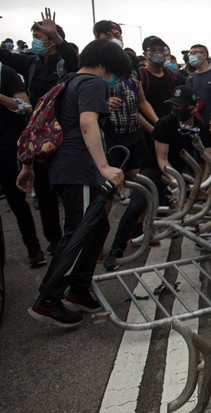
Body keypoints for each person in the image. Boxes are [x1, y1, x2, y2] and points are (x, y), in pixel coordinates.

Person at [16, 39, 127, 327]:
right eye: (114, 73)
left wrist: (27, 166)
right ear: (104, 66)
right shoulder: (92, 83)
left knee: (97, 226)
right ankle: (49, 300)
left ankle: (79, 289)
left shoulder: (69, 82)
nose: (113, 80)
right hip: (79, 168)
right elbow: (87, 123)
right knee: (80, 231)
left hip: (66, 167)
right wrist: (103, 167)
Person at [103, 85, 211, 271]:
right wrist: (175, 183)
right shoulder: (165, 124)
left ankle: (204, 236)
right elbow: (162, 159)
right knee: (137, 206)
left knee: (199, 203)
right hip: (155, 169)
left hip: (182, 170)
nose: (178, 110)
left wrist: (202, 184)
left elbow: (209, 158)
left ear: (194, 107)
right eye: (175, 106)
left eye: (183, 106)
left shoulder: (201, 128)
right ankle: (117, 249)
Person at [0, 8, 78, 258]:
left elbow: (75, 61)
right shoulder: (30, 62)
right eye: (34, 34)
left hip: (65, 130)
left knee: (68, 188)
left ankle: (73, 235)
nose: (35, 38)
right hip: (39, 135)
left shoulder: (65, 59)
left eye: (40, 35)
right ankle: (54, 240)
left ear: (53, 39)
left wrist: (56, 35)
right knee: (43, 191)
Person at [93, 21, 159, 173]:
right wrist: (105, 102)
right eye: (106, 36)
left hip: (134, 132)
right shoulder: (94, 67)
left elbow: (141, 101)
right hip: (110, 134)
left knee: (138, 177)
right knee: (113, 180)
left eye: (116, 36)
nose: (113, 40)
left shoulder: (130, 67)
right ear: (97, 39)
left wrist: (157, 123)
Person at [0, 55, 42, 267]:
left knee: (17, 202)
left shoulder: (5, 73)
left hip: (7, 148)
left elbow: (26, 107)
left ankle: (34, 249)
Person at [139, 36, 183, 119]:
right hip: (149, 128)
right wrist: (154, 128)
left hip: (169, 125)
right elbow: (136, 108)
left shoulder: (174, 76)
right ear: (145, 54)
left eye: (162, 50)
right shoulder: (140, 76)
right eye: (153, 50)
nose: (158, 53)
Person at [185, 44, 211, 119]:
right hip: (198, 122)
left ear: (204, 55)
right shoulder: (190, 78)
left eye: (194, 53)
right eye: (189, 54)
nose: (190, 56)